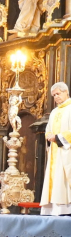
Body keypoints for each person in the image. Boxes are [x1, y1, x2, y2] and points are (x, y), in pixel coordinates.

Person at [41, 82, 71, 216]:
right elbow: (48, 130)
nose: (56, 97)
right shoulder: (54, 112)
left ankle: (65, 209)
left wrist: (57, 137)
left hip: (67, 152)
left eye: (58, 94)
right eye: (54, 95)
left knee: (64, 180)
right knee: (55, 178)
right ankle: (54, 209)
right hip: (55, 153)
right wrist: (49, 136)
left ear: (66, 92)